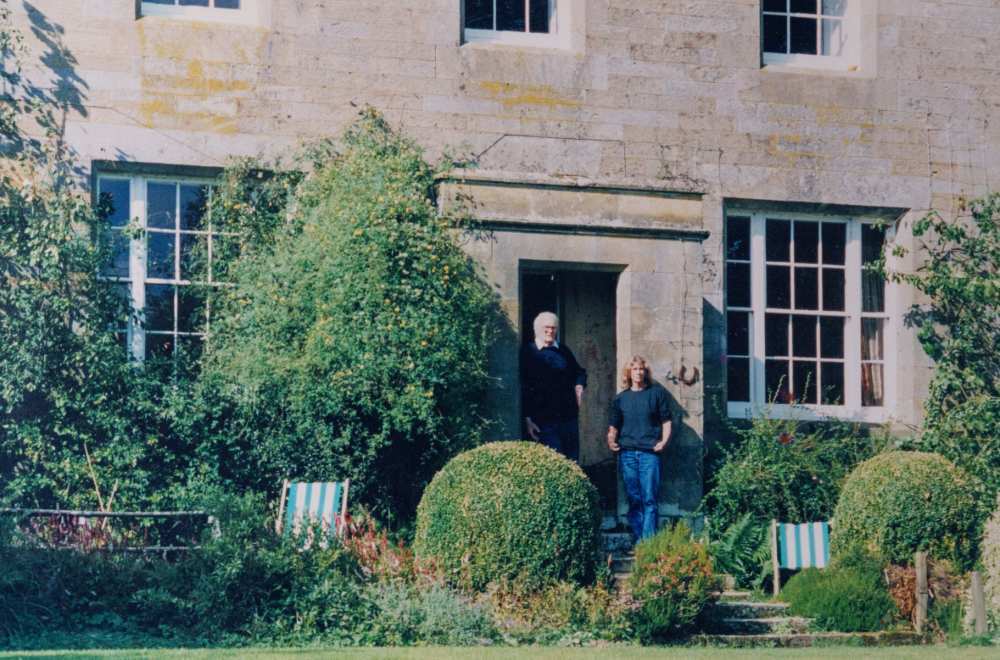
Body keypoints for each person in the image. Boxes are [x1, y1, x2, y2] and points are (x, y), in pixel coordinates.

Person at [606, 355, 674, 543]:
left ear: (646, 372)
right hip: (627, 453)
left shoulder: (656, 394)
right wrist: (611, 440)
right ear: (629, 372)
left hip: (649, 454)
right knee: (634, 498)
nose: (638, 372)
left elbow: (666, 421)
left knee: (649, 499)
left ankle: (647, 543)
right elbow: (613, 426)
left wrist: (663, 442)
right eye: (635, 369)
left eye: (641, 369)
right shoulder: (621, 399)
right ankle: (640, 539)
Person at [520, 311, 587, 461]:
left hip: (568, 417)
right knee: (553, 461)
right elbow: (524, 387)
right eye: (547, 328)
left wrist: (579, 386)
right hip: (543, 420)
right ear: (537, 329)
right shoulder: (528, 352)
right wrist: (527, 418)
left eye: (553, 328)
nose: (550, 331)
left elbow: (579, 372)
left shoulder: (563, 350)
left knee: (572, 461)